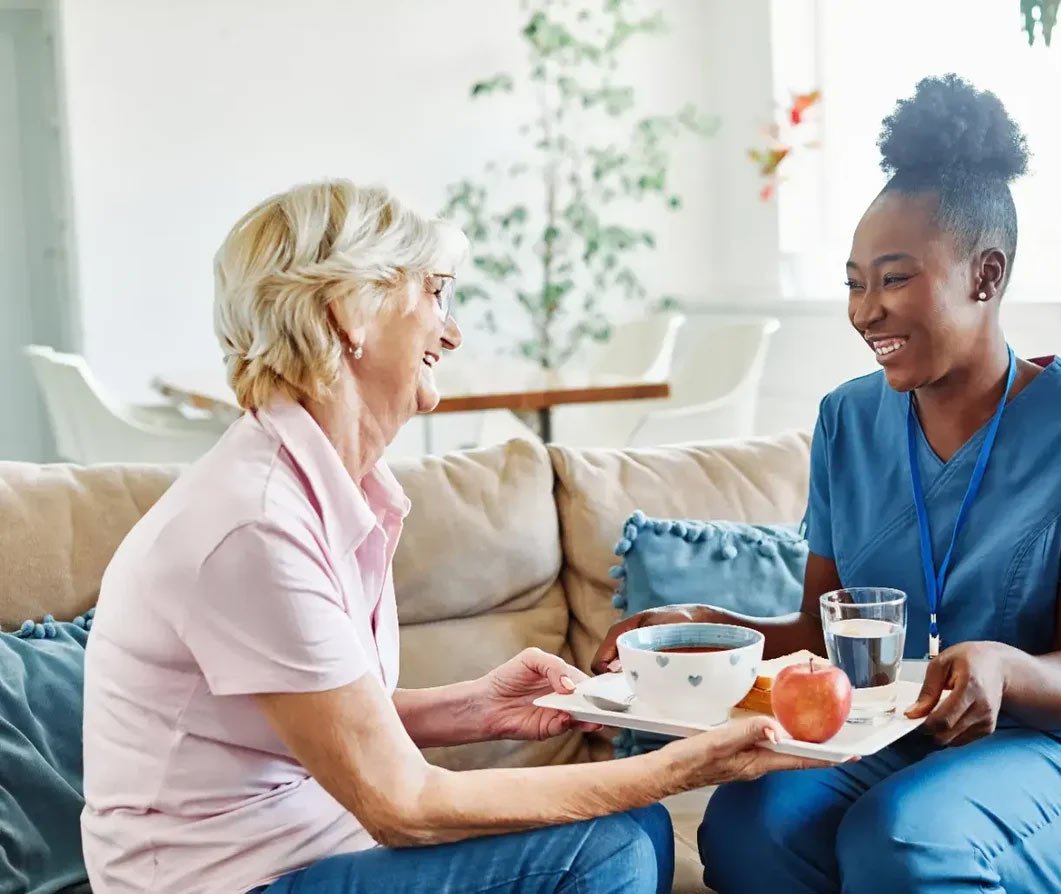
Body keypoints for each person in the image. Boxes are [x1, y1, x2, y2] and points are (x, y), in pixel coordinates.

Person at [80, 180, 825, 894]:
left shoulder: (315, 492)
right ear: (350, 312)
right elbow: (399, 804)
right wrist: (686, 766)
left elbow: (320, 716)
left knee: (639, 830)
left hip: (305, 853)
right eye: (434, 292)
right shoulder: (254, 527)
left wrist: (474, 707)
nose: (453, 329)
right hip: (231, 883)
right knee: (607, 851)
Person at [594, 75, 1061, 894]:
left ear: (986, 274)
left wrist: (1003, 668)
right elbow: (814, 630)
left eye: (895, 279)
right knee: (744, 829)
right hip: (887, 731)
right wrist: (699, 626)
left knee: (899, 842)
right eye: (854, 282)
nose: (865, 310)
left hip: (1054, 743)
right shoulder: (846, 420)